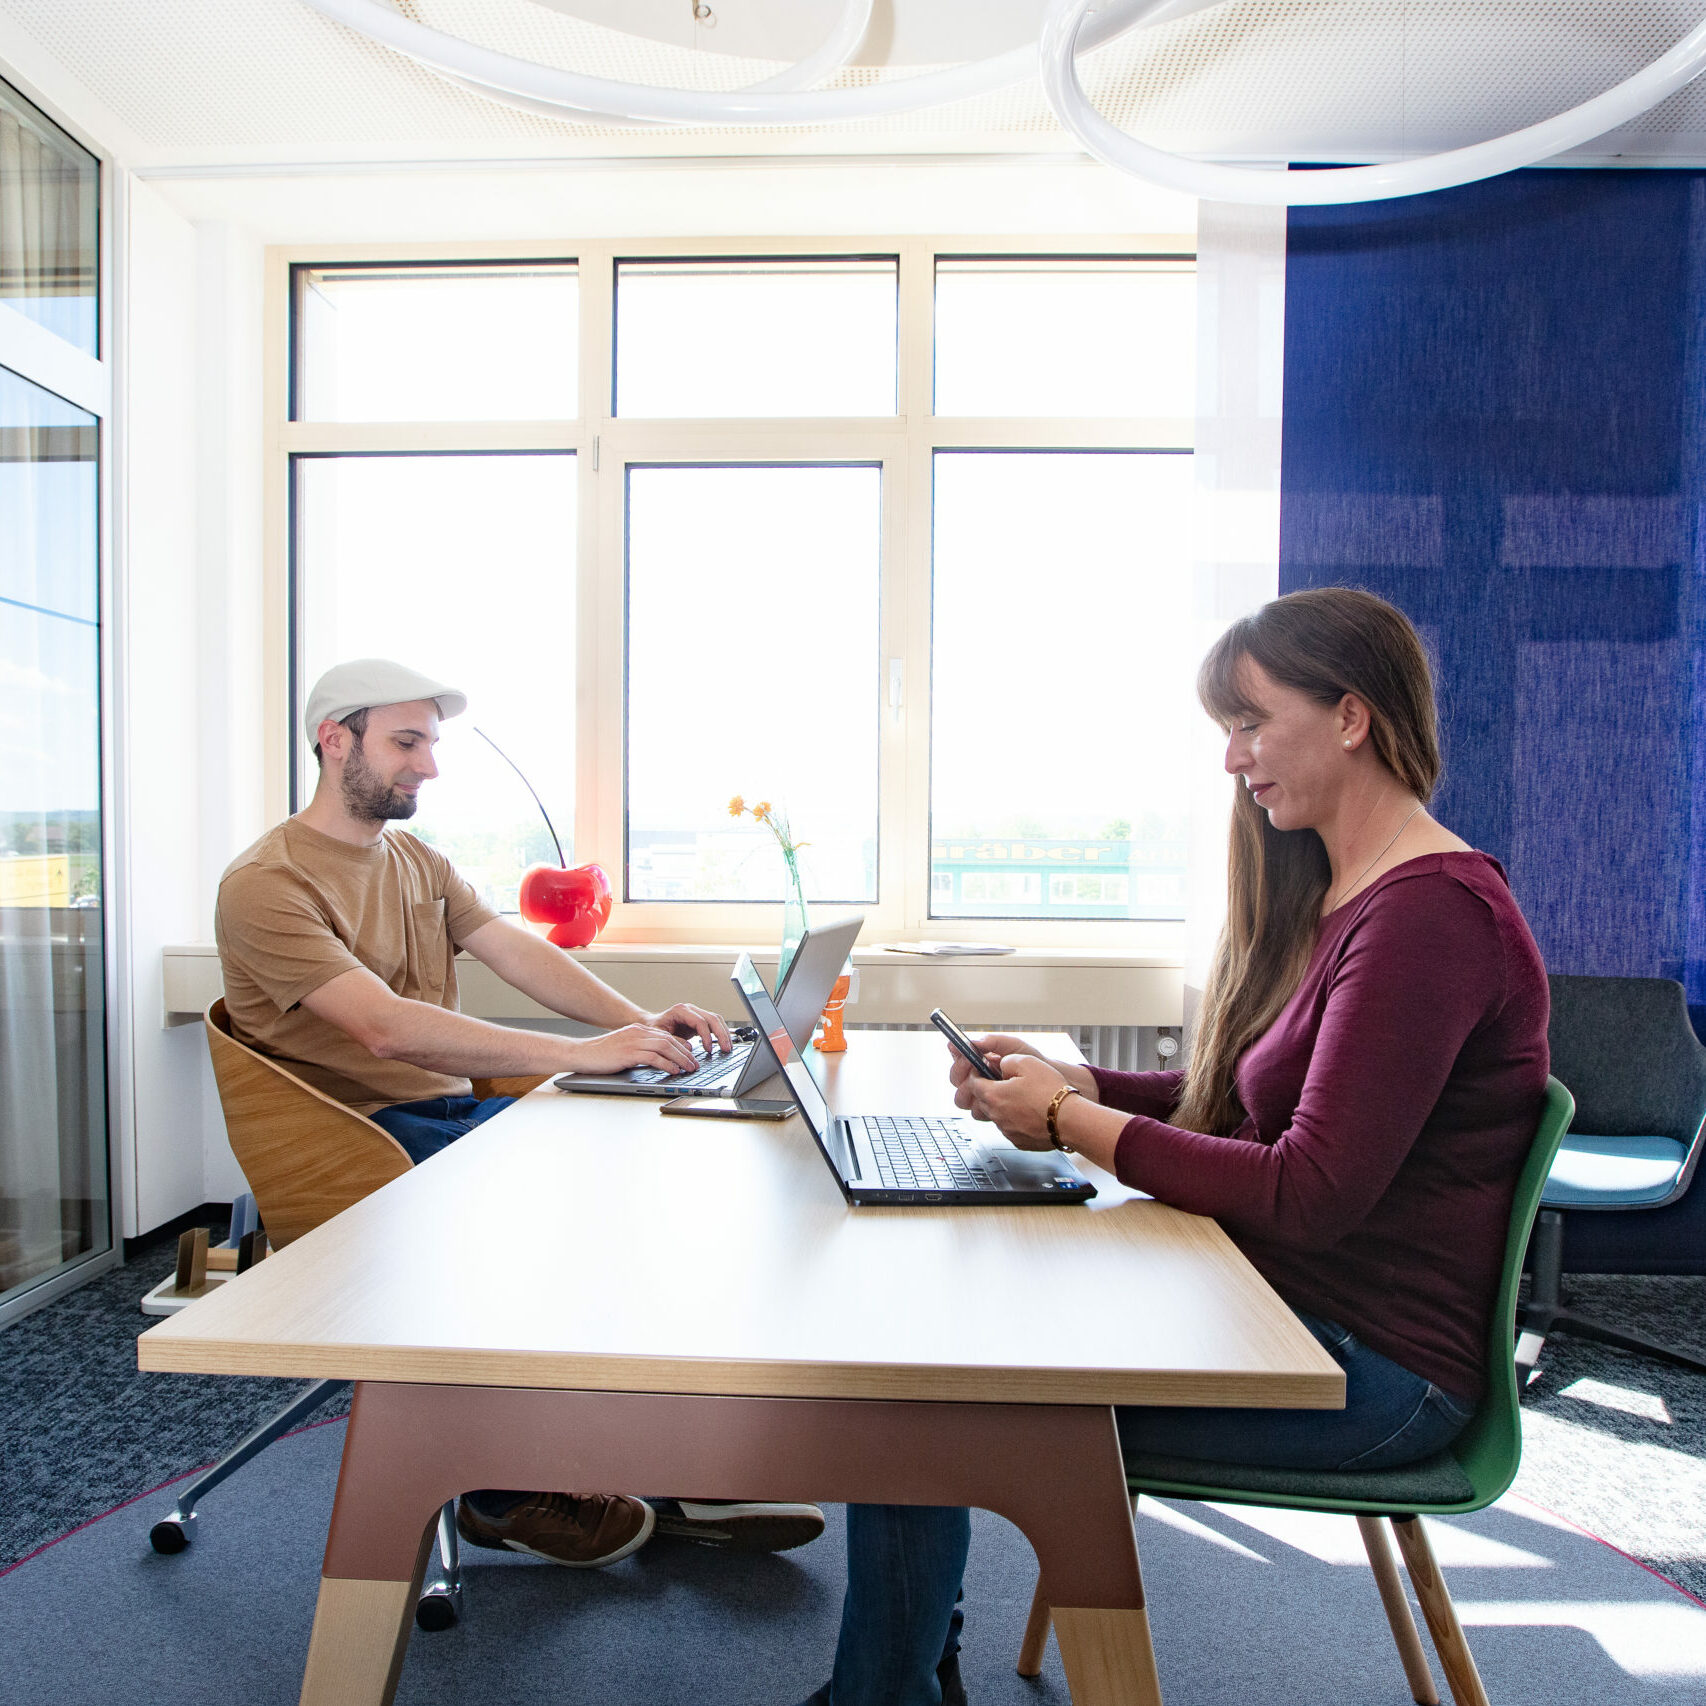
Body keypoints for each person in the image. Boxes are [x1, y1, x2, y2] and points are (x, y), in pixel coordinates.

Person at [797, 588, 1550, 1706]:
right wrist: (1091, 1083)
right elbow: (1250, 1103)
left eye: (1248, 722)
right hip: (1272, 1303)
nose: (1232, 758)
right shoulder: (1344, 891)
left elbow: (1304, 1189)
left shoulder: (1428, 917)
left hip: (1370, 1370)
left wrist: (1066, 1121)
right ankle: (903, 1668)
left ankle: (888, 1687)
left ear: (1349, 715)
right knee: (933, 1343)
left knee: (922, 1399)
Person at [216, 658, 825, 1568]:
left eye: (432, 743)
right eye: (406, 742)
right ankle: (504, 1492)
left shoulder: (414, 859)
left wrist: (638, 1025)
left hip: (445, 1120)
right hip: (359, 1148)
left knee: (643, 1166)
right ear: (332, 739)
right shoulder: (267, 883)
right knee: (558, 1207)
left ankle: (651, 1456)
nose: (428, 765)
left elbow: (514, 953)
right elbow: (383, 1031)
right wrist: (578, 1057)